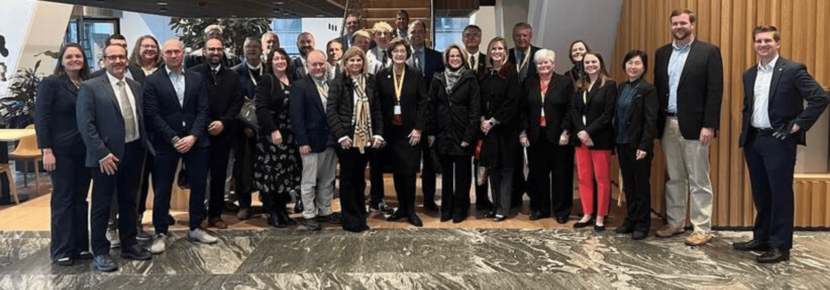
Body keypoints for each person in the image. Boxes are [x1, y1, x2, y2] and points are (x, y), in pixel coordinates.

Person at [734, 25, 829, 263]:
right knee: (761, 193)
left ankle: (780, 246)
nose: (762, 45)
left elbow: (820, 97)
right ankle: (762, 237)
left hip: (779, 141)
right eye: (758, 41)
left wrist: (798, 124)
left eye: (767, 40)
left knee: (780, 194)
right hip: (754, 140)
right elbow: (749, 106)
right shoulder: (749, 74)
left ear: (777, 43)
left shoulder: (793, 70)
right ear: (754, 44)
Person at [76, 44, 154, 271]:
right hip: (106, 158)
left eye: (121, 57)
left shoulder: (135, 86)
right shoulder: (90, 87)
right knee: (102, 205)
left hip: (133, 152)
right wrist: (101, 154)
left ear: (127, 60)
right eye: (112, 58)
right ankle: (100, 251)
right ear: (104, 61)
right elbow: (86, 124)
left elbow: (139, 118)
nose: (118, 61)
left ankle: (129, 244)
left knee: (129, 201)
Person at [653, 9, 723, 246]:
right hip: (668, 123)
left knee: (699, 178)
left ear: (692, 24)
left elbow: (715, 91)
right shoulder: (662, 53)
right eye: (675, 23)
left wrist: (710, 125)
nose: (679, 26)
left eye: (683, 22)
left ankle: (702, 228)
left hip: (696, 126)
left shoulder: (709, 52)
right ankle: (675, 222)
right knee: (674, 177)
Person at [144, 38, 218, 254]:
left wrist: (194, 136)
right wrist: (174, 138)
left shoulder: (196, 79)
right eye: (169, 52)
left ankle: (195, 227)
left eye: (177, 51)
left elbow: (204, 110)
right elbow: (152, 114)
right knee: (162, 188)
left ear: (183, 53)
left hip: (196, 140)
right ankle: (160, 232)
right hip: (166, 143)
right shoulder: (153, 81)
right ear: (162, 55)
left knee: (198, 184)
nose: (173, 55)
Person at [35, 43, 93, 266]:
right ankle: (62, 249)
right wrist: (46, 150)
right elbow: (42, 118)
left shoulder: (86, 84)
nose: (74, 59)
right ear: (61, 60)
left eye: (78, 56)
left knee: (80, 199)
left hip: (84, 151)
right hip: (60, 152)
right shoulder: (51, 84)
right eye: (69, 56)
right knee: (63, 199)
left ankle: (80, 246)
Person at [327, 47, 384, 232]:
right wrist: (341, 136)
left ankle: (360, 216)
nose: (355, 64)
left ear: (363, 62)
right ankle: (349, 219)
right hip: (347, 140)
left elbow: (377, 110)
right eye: (351, 60)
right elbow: (331, 112)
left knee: (360, 180)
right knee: (347, 180)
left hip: (365, 139)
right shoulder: (337, 83)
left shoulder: (371, 81)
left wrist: (378, 133)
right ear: (345, 63)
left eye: (359, 60)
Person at [190, 38, 244, 229]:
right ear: (204, 52)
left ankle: (215, 215)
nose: (215, 52)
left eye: (219, 49)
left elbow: (238, 102)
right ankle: (198, 217)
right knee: (199, 178)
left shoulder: (232, 76)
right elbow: (190, 105)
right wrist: (204, 125)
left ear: (223, 52)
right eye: (211, 49)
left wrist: (223, 122)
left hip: (223, 134)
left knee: (219, 177)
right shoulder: (193, 74)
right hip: (200, 135)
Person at [518, 49, 574, 224]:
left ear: (553, 64)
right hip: (536, 136)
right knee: (537, 175)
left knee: (561, 175)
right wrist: (522, 132)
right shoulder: (528, 82)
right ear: (535, 65)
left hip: (559, 137)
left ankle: (561, 210)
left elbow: (570, 109)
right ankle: (539, 208)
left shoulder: (565, 82)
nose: (543, 65)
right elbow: (522, 110)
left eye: (546, 62)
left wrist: (566, 131)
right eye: (539, 63)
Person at [376, 38, 428, 227]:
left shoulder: (415, 74)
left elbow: (423, 103)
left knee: (409, 172)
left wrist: (418, 128)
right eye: (396, 51)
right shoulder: (382, 75)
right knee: (397, 172)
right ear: (390, 54)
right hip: (391, 133)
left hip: (410, 131)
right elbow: (378, 105)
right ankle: (401, 208)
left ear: (407, 54)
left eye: (403, 51)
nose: (399, 54)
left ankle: (411, 210)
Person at [289, 49, 341, 231]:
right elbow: (296, 117)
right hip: (310, 141)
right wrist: (302, 141)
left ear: (326, 64)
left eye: (321, 64)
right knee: (309, 180)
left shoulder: (332, 84)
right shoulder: (299, 86)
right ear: (307, 66)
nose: (318, 67)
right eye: (314, 64)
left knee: (328, 179)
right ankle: (309, 214)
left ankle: (325, 210)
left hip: (330, 140)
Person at [428, 44, 480, 223]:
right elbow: (431, 107)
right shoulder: (438, 78)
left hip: (463, 134)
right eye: (452, 56)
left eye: (458, 56)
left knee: (463, 176)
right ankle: (447, 208)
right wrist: (432, 133)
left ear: (463, 58)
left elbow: (475, 110)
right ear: (447, 59)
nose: (455, 59)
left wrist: (469, 136)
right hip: (443, 134)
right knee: (446, 176)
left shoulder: (470, 78)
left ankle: (460, 209)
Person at [254, 47, 302, 228]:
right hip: (272, 135)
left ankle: (282, 210)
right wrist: (273, 130)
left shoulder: (293, 79)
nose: (280, 61)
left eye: (283, 58)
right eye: (276, 59)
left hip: (290, 135)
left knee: (285, 174)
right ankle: (272, 211)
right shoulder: (266, 80)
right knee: (271, 175)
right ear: (270, 62)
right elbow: (262, 108)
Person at [614, 50, 658, 240]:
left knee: (641, 185)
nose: (633, 66)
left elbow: (651, 120)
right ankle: (630, 219)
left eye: (637, 63)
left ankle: (642, 223)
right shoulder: (622, 86)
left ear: (644, 67)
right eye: (630, 62)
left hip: (638, 145)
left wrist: (644, 145)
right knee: (629, 185)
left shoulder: (648, 89)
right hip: (622, 142)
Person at [570, 51, 616, 232]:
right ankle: (587, 212)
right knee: (583, 178)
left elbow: (608, 114)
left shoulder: (609, 85)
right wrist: (581, 132)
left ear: (601, 63)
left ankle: (600, 216)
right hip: (581, 140)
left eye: (594, 61)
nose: (590, 65)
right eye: (587, 62)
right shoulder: (580, 85)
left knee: (602, 179)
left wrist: (588, 132)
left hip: (600, 139)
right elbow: (573, 110)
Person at [478, 37, 519, 221]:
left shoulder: (511, 73)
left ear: (505, 52)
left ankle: (503, 208)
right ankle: (494, 207)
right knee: (493, 170)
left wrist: (492, 121)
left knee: (506, 172)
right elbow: (480, 100)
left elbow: (511, 103)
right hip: (489, 133)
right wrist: (482, 120)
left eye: (500, 48)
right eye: (493, 48)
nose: (496, 51)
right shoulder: (486, 74)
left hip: (505, 131)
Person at [128, 35, 163, 241]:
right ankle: (136, 219)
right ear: (137, 48)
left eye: (153, 46)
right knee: (139, 181)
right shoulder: (130, 71)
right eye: (145, 46)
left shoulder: (163, 70)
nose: (150, 49)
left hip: (160, 134)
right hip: (139, 135)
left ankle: (161, 214)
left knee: (161, 179)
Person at [407, 19, 444, 211]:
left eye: (421, 31)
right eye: (413, 32)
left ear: (426, 34)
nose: (417, 35)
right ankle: (409, 201)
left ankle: (429, 200)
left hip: (430, 119)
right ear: (407, 34)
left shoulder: (437, 58)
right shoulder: (401, 57)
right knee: (410, 163)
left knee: (430, 163)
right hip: (409, 120)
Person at [231, 37, 266, 220]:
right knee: (243, 169)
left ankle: (268, 202)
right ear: (243, 50)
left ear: (261, 50)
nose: (251, 50)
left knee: (268, 167)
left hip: (267, 129)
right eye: (248, 47)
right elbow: (232, 103)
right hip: (243, 131)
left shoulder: (270, 70)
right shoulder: (235, 73)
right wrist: (245, 126)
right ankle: (244, 204)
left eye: (255, 47)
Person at [507, 22, 541, 209]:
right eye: (518, 35)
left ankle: (534, 192)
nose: (522, 38)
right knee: (515, 158)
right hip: (512, 114)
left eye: (525, 35)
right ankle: (516, 194)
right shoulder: (507, 55)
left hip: (534, 113)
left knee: (535, 158)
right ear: (514, 37)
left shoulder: (540, 55)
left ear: (531, 37)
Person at [462, 25, 491, 211]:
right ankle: (463, 199)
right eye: (467, 36)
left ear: (480, 39)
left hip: (483, 120)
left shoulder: (487, 61)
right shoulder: (456, 59)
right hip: (463, 122)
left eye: (475, 36)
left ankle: (482, 198)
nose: (471, 39)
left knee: (482, 161)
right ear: (462, 38)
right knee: (464, 163)